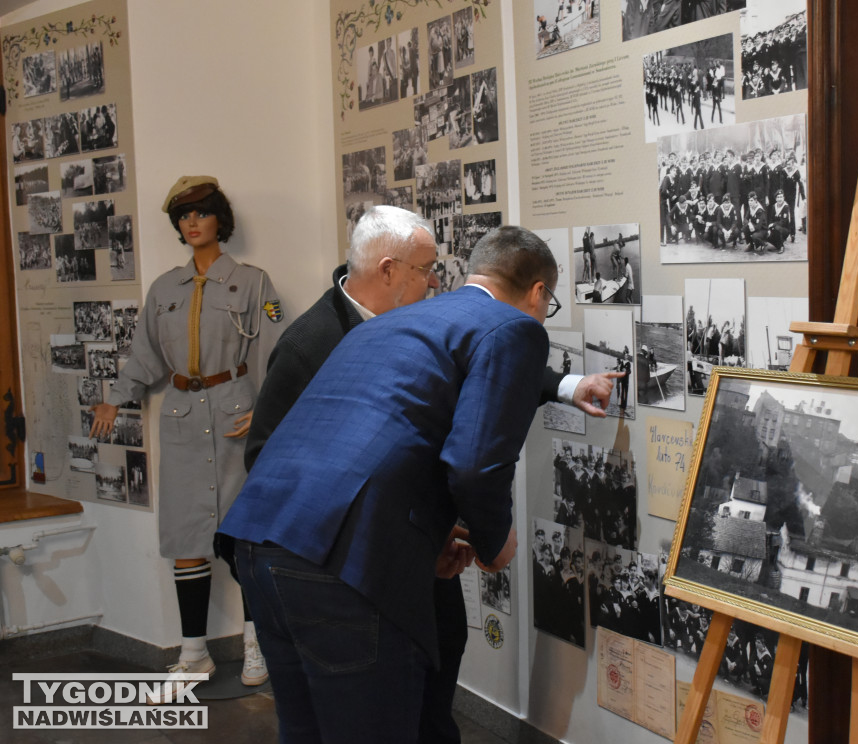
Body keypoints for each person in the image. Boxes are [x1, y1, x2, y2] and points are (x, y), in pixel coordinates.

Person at [221, 226, 615, 742]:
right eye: (549, 303)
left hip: (257, 541)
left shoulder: (392, 320)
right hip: (338, 566)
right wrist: (495, 543)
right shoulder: (514, 327)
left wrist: (423, 538)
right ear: (538, 292)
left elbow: (373, 441)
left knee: (306, 732)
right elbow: (474, 464)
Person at [89, 176, 284, 692]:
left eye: (201, 211)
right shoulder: (163, 290)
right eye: (183, 216)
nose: (192, 222)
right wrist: (116, 396)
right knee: (185, 536)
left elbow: (275, 350)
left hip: (235, 416)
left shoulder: (253, 283)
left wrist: (265, 411)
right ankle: (194, 652)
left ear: (220, 217)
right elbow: (146, 355)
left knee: (244, 534)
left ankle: (255, 643)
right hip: (180, 417)